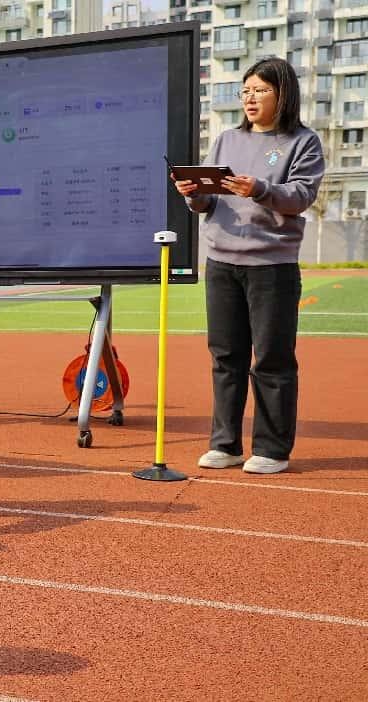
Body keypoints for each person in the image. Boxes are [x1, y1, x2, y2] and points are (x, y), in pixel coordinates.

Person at [173, 57, 324, 475]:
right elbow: (210, 200)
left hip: (271, 265)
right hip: (221, 261)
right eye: (245, 91)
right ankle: (225, 444)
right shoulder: (226, 139)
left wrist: (260, 189)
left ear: (283, 94)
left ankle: (272, 449)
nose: (250, 98)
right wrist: (194, 194)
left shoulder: (303, 142)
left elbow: (300, 196)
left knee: (272, 359)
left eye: (260, 90)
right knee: (226, 356)